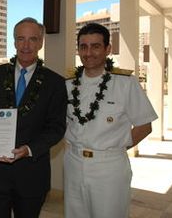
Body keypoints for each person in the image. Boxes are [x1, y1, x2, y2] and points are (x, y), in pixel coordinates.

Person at [64, 23, 158, 218]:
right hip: (73, 162)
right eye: (83, 46)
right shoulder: (68, 84)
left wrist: (116, 147)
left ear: (108, 49)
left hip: (109, 167)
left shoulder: (125, 83)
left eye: (96, 46)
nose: (88, 53)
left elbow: (144, 125)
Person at [0, 17, 67, 218]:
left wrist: (29, 149)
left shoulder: (55, 82)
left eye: (32, 39)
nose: (26, 45)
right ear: (14, 42)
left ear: (41, 42)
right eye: (21, 39)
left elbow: (56, 128)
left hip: (32, 175)